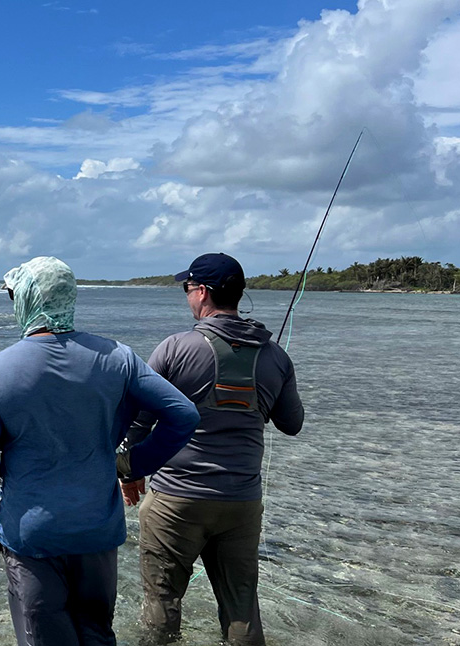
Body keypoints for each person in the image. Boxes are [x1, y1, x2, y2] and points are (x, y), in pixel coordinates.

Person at [0, 256, 199, 646]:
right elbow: (183, 415)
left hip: (31, 535)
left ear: (25, 300)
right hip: (96, 530)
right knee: (98, 633)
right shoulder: (118, 357)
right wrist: (132, 463)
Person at [120, 253, 304, 645]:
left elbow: (138, 421)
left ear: (201, 292)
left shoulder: (174, 348)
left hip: (176, 500)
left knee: (163, 602)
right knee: (241, 609)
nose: (187, 295)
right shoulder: (276, 356)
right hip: (241, 502)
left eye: (187, 288)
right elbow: (293, 424)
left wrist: (129, 470)